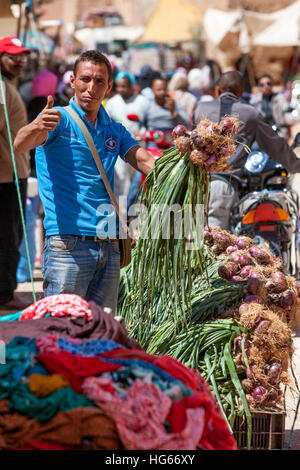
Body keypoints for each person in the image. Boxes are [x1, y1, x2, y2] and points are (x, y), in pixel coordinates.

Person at [14, 50, 155, 312]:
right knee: (61, 334)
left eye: (99, 81)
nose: (91, 88)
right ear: (72, 80)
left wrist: (187, 165)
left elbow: (146, 162)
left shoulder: (114, 129)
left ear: (109, 86)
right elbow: (20, 143)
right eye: (85, 79)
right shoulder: (57, 119)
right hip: (67, 246)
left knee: (101, 335)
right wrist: (36, 126)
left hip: (108, 243)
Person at [193, 71, 300, 230]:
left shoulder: (201, 109)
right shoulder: (250, 113)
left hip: (194, 185)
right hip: (222, 186)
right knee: (216, 244)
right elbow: (276, 146)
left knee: (193, 244)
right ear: (241, 93)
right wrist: (295, 166)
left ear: (218, 90)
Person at [0, 36, 31, 310]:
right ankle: (5, 293)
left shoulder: (8, 85)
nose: (19, 61)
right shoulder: (0, 87)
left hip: (14, 172)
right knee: (8, 236)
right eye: (13, 56)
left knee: (12, 234)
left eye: (22, 57)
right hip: (6, 177)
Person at [105, 71, 149, 203]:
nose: (121, 89)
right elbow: (107, 124)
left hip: (138, 146)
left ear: (131, 86)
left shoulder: (143, 102)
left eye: (124, 86)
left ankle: (133, 211)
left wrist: (143, 132)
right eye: (119, 86)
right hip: (118, 148)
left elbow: (149, 123)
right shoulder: (111, 103)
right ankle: (121, 214)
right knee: (121, 179)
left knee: (137, 180)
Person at [250, 73, 290, 139]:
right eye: (262, 85)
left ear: (272, 84)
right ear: (259, 87)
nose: (266, 86)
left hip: (279, 132)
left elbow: (288, 115)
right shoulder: (255, 100)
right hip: (263, 134)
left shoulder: (280, 98)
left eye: (268, 83)